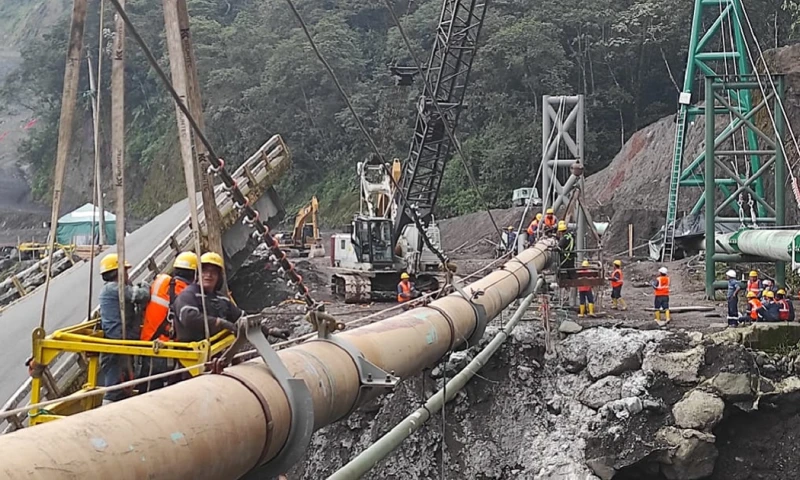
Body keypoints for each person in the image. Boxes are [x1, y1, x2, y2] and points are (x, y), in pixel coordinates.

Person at [139, 251, 197, 391]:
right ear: (194, 273)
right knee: (164, 389)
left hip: (147, 342)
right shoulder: (189, 294)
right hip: (167, 349)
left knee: (146, 386)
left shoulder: (160, 281)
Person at [98, 253, 150, 404]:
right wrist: (145, 285)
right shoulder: (114, 288)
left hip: (118, 338)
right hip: (118, 340)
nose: (128, 275)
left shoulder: (110, 289)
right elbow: (142, 295)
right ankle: (107, 411)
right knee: (115, 386)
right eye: (125, 271)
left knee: (122, 383)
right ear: (118, 273)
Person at [173, 252, 242, 343]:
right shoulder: (187, 295)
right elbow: (188, 318)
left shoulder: (222, 299)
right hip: (195, 350)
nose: (209, 275)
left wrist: (258, 326)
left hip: (222, 347)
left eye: (214, 272)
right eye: (204, 271)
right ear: (198, 274)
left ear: (219, 277)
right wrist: (218, 323)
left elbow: (241, 317)